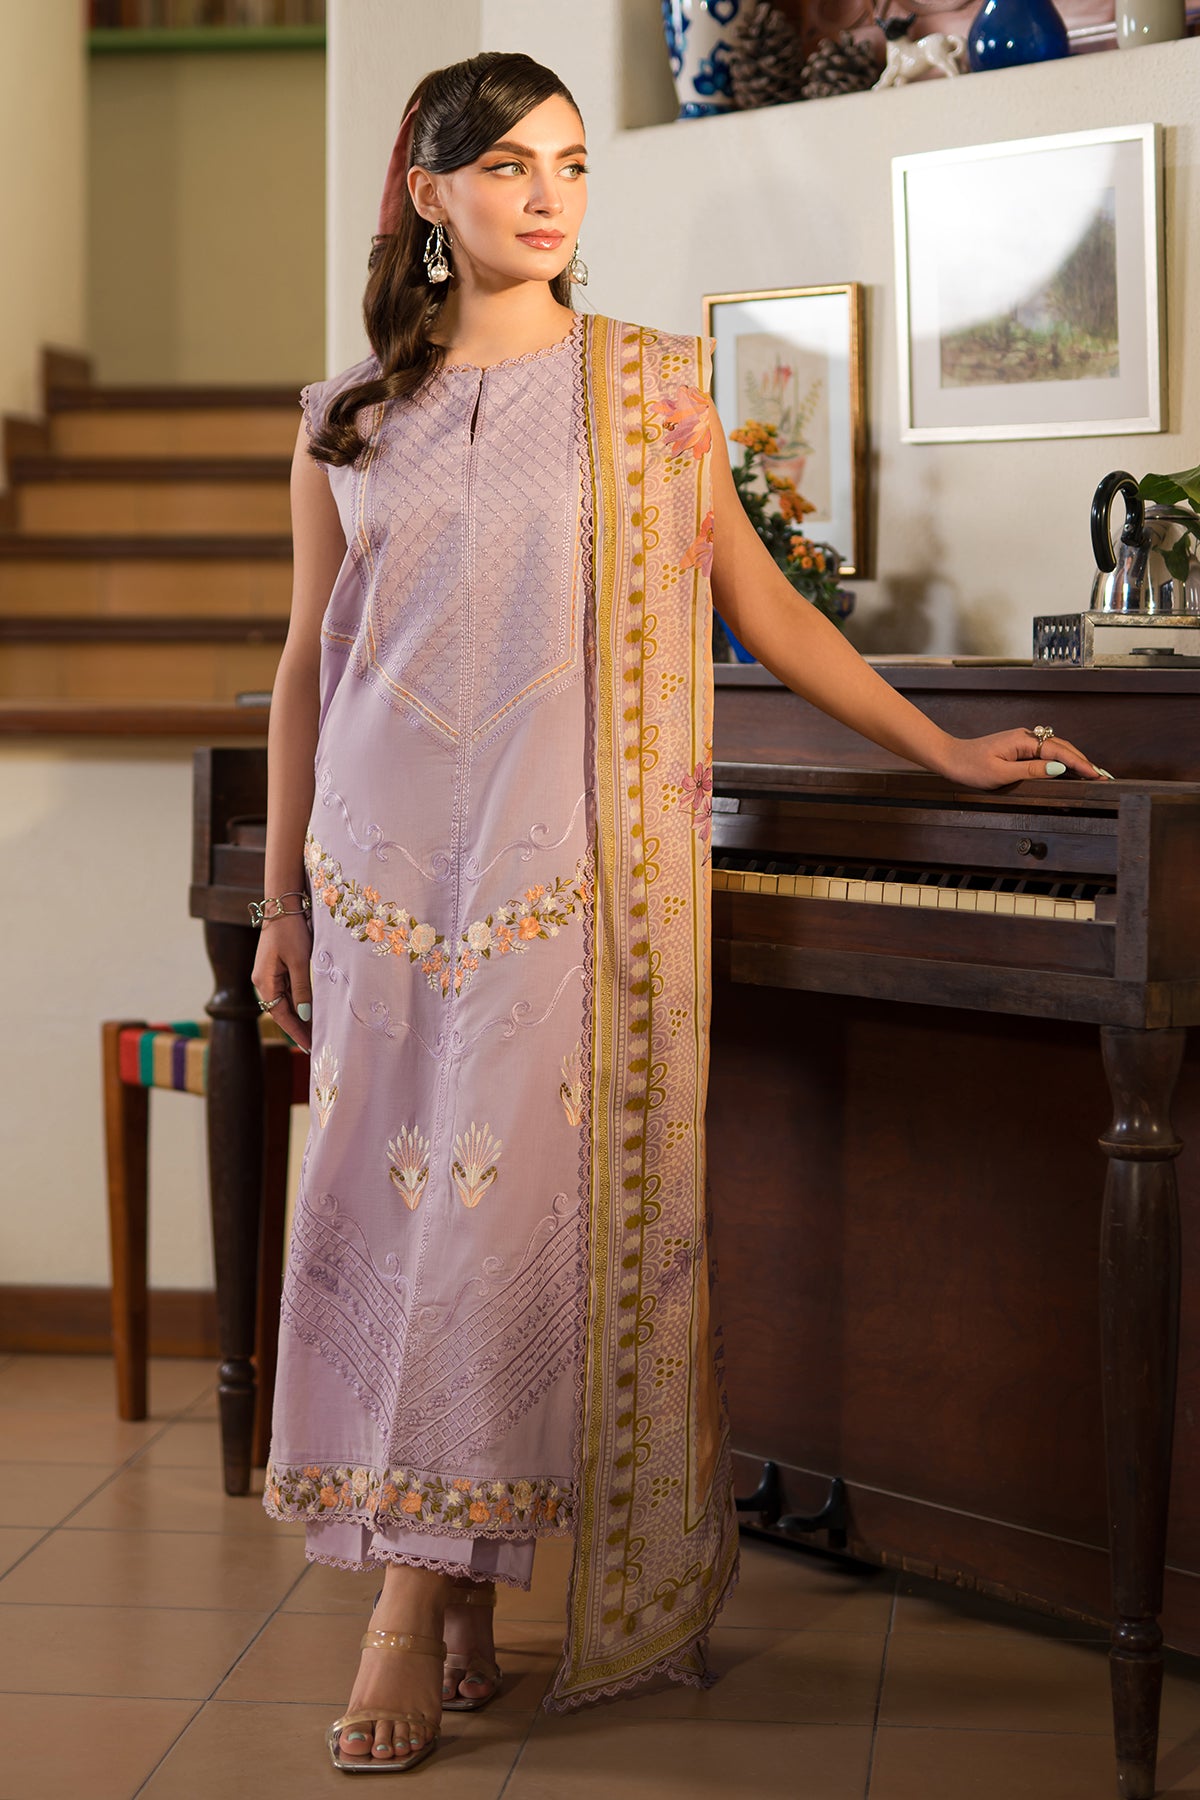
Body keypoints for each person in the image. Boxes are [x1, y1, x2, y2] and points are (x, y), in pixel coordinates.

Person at [250, 49, 1105, 1776]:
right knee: (389, 1229)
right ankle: (462, 1583)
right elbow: (302, 665)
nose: (549, 195)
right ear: (431, 194)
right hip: (379, 885)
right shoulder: (344, 416)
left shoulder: (650, 395)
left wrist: (952, 752)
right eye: (510, 165)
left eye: (572, 163)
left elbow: (768, 614)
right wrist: (280, 897)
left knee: (488, 1236)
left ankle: (403, 1606)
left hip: (562, 889)